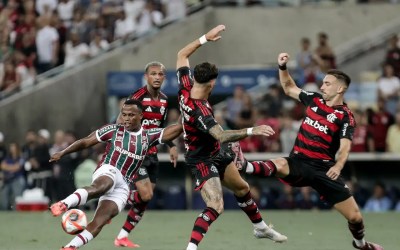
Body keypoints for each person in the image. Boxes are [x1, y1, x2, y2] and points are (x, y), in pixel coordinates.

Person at [238, 52, 383, 250]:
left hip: (323, 169)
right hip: (298, 161)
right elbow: (289, 88)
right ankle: (244, 165)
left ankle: (361, 245)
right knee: (280, 163)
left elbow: (345, 145)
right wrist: (282, 67)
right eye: (323, 83)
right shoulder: (314, 99)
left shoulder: (345, 116)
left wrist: (339, 165)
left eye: (327, 83)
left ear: (340, 89)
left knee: (355, 217)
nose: (322, 86)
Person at [176, 25, 287, 250]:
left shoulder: (186, 86)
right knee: (216, 205)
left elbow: (181, 54)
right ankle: (191, 248)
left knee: (242, 189)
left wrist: (204, 38)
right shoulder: (200, 111)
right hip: (201, 159)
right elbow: (220, 135)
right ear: (212, 83)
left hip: (216, 153)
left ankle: (260, 228)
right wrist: (250, 131)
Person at [48, 99, 182, 250]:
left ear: (141, 116)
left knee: (100, 221)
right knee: (103, 185)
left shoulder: (148, 136)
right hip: (109, 169)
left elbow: (177, 129)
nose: (126, 118)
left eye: (131, 115)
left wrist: (186, 108)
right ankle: (64, 204)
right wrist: (63, 152)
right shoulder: (114, 130)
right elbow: (86, 141)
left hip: (124, 185)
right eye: (124, 115)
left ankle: (70, 247)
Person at [114, 61, 178, 248]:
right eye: (153, 74)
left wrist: (171, 145)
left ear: (164, 77)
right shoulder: (137, 97)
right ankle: (113, 201)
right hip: (136, 153)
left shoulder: (165, 100)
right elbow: (120, 122)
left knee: (145, 198)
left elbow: (161, 129)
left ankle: (122, 237)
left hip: (152, 153)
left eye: (160, 74)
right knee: (146, 194)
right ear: (146, 77)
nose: (157, 77)